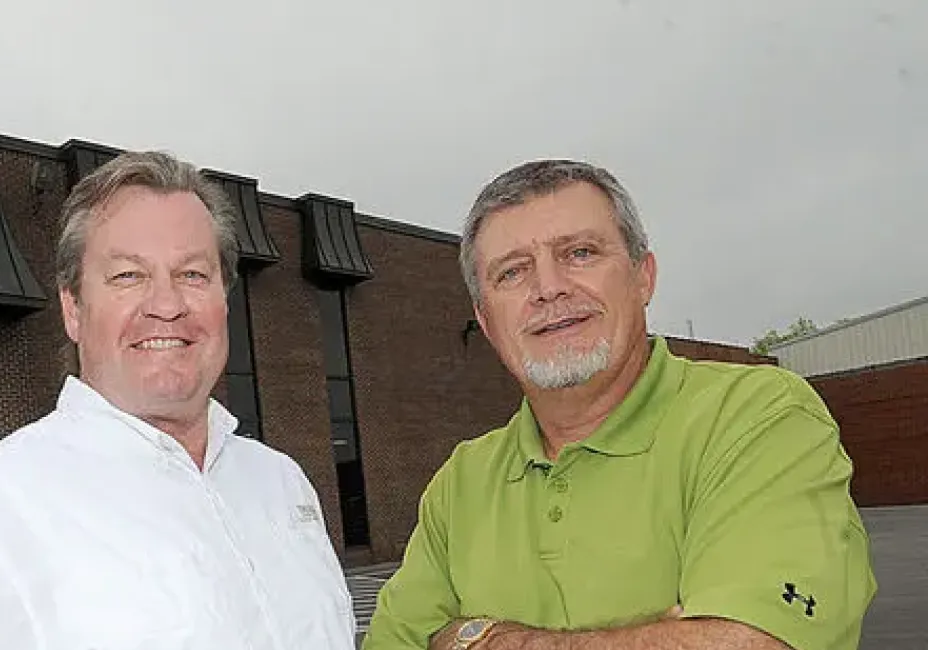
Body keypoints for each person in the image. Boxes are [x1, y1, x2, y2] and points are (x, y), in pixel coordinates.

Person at [0, 151, 356, 650]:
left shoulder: (281, 484)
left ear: (222, 300)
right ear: (72, 309)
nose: (166, 304)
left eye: (192, 273)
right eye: (127, 275)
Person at [362, 160, 877, 650]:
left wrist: (477, 636)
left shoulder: (756, 417)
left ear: (643, 276)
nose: (549, 289)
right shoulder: (461, 482)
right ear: (487, 318)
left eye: (580, 253)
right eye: (513, 273)